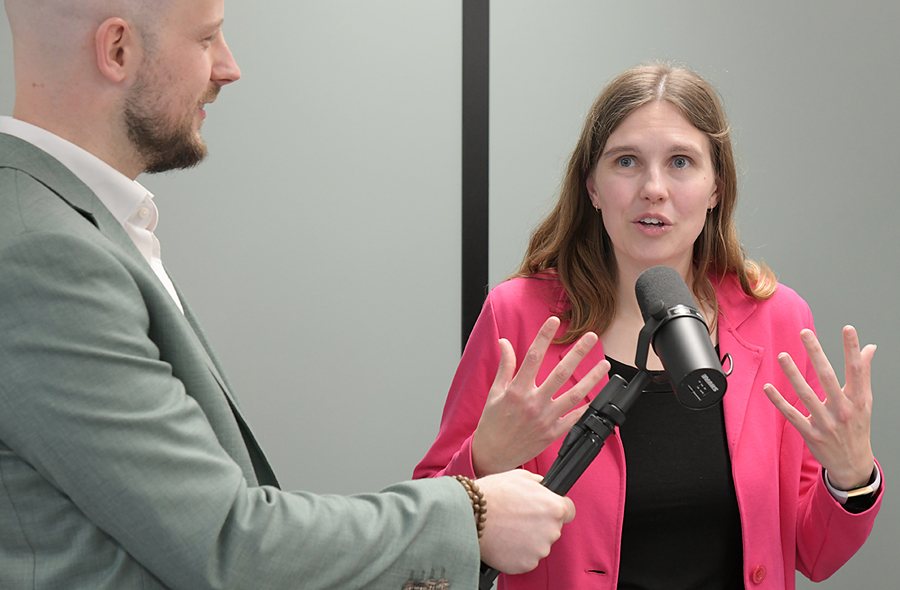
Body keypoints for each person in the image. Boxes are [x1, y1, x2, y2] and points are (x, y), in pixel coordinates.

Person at [0, 1, 615, 588]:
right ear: (117, 48)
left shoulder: (80, 229)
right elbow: (226, 545)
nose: (228, 67)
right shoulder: (44, 255)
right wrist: (470, 514)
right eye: (207, 37)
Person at [414, 62, 884, 590]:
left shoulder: (778, 319)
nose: (653, 188)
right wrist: (484, 459)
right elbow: (429, 533)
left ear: (715, 189)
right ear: (592, 186)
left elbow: (811, 552)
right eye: (627, 161)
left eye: (681, 162)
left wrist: (851, 478)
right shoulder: (520, 316)